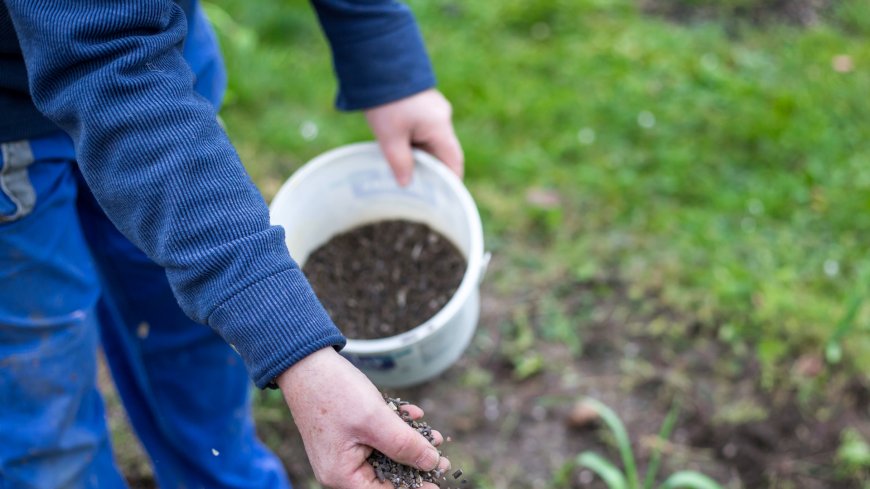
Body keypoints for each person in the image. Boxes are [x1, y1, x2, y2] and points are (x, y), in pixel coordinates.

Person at [0, 0, 461, 487]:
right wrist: (296, 350)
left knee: (196, 331)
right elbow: (104, 57)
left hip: (163, 68)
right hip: (23, 122)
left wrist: (382, 51)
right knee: (44, 401)